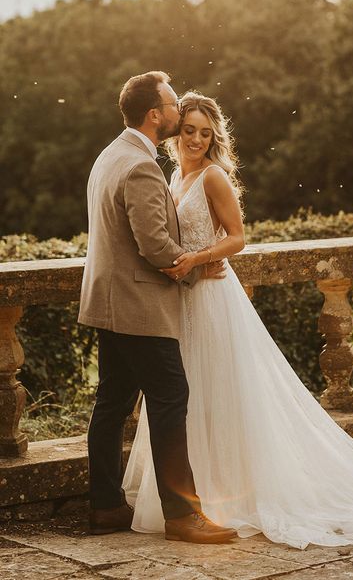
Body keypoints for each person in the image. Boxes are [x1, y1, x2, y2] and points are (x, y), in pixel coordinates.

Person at [123, 91, 353, 550]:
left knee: (219, 391)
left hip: (213, 299)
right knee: (186, 396)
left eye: (204, 133)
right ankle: (195, 494)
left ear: (214, 138)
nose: (194, 139)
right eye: (188, 129)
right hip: (184, 301)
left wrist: (198, 258)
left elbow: (237, 238)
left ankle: (228, 495)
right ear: (177, 132)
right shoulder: (175, 174)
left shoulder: (213, 176)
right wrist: (184, 263)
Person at [78, 71, 237, 544]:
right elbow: (155, 245)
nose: (177, 112)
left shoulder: (111, 154)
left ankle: (105, 505)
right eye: (172, 107)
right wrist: (194, 269)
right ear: (155, 115)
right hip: (141, 304)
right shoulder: (143, 165)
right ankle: (182, 516)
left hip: (108, 303)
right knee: (170, 401)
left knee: (110, 403)